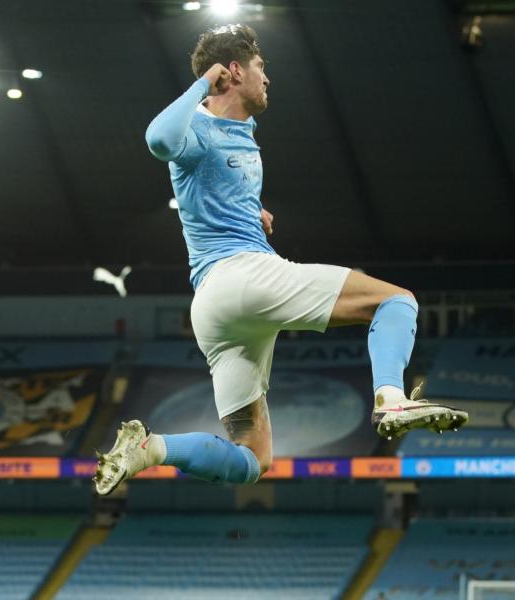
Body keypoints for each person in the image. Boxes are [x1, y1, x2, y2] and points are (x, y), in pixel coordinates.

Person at [93, 24, 467, 495]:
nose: (267, 79)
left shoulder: (241, 131)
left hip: (214, 307)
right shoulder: (201, 128)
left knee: (253, 459)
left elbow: (215, 191)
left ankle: (150, 450)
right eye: (260, 67)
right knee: (397, 302)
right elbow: (158, 140)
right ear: (233, 71)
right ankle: (392, 398)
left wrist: (253, 209)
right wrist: (203, 83)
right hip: (243, 276)